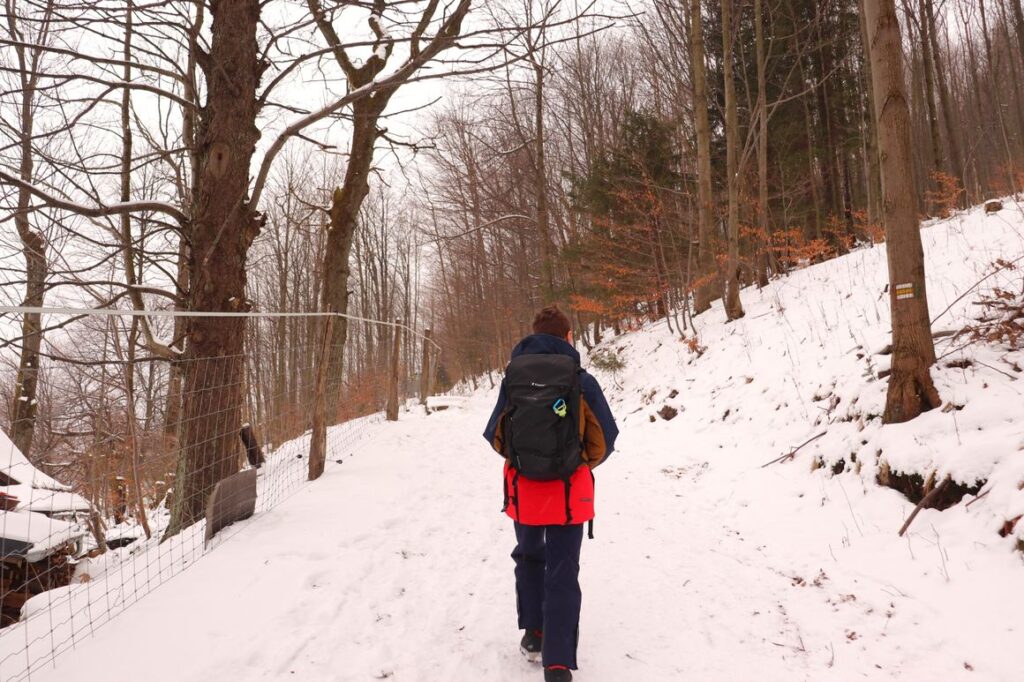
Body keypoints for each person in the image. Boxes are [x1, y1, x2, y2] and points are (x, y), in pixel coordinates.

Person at [483, 305, 619, 682]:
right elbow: (606, 438)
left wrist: (527, 461)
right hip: (567, 491)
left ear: (533, 335)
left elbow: (495, 433)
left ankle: (534, 634)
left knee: (529, 556)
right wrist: (575, 463)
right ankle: (557, 664)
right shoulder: (580, 378)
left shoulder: (513, 377)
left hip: (523, 489)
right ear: (568, 337)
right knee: (562, 569)